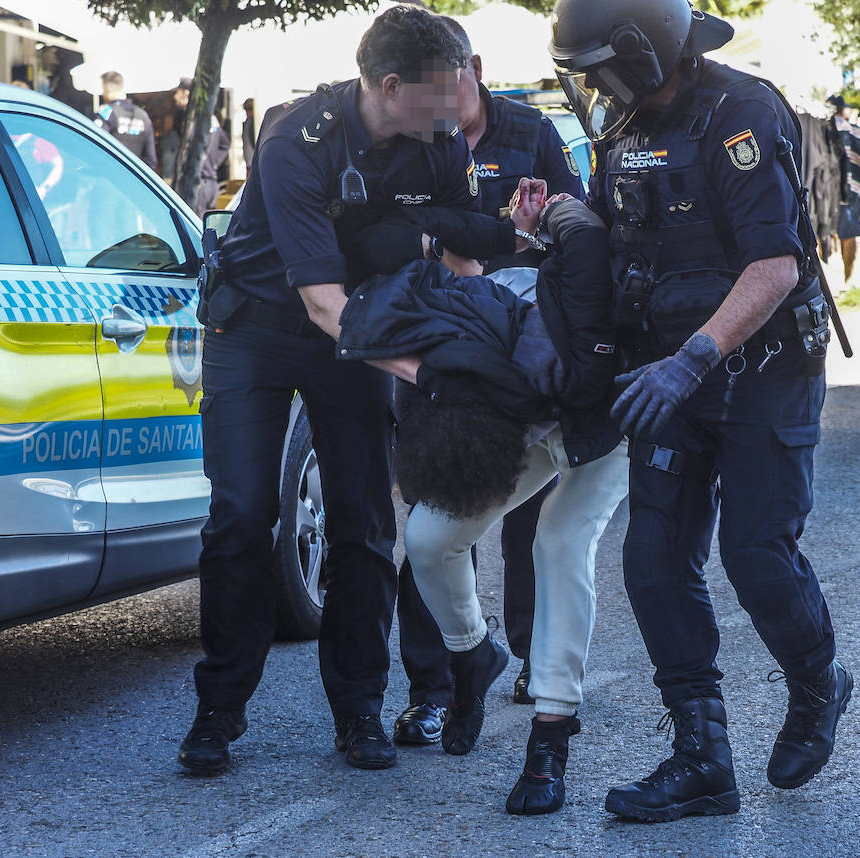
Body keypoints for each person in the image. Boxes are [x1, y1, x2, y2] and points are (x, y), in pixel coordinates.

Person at [549, 0, 851, 823]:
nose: (595, 88)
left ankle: (819, 686)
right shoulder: (624, 132)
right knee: (654, 559)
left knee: (756, 554)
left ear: (643, 52)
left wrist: (691, 361)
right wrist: (566, 222)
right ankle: (702, 758)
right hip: (664, 376)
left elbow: (775, 268)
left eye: (601, 70)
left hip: (761, 371)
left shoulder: (740, 112)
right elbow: (624, 236)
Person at [177, 6, 497, 777]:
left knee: (360, 523)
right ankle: (219, 709)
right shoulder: (296, 139)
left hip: (359, 336)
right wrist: (426, 372)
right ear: (390, 88)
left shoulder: (440, 142)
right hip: (257, 330)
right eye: (443, 92)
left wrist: (480, 347)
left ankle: (358, 710)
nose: (458, 107)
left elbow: (464, 258)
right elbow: (324, 304)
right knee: (243, 515)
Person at [339, 195, 628, 815]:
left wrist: (548, 219)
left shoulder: (569, 265)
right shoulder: (444, 316)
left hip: (604, 418)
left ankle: (551, 735)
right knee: (428, 538)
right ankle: (474, 655)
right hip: (523, 421)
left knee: (558, 539)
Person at [383, 16, 591, 749]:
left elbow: (573, 218)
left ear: (471, 66)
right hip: (440, 346)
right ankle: (435, 686)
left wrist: (532, 229)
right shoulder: (410, 140)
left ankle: (535, 660)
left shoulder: (531, 131)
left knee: (531, 517)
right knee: (439, 505)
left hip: (520, 349)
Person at [828, 94, 860, 284]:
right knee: (849, 233)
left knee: (823, 233)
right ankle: (848, 278)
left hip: (824, 189)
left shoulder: (820, 128)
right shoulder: (857, 131)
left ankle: (827, 281)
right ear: (843, 109)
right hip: (850, 188)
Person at [94, 71, 158, 171]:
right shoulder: (144, 116)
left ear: (108, 89)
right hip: (133, 180)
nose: (102, 94)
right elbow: (151, 160)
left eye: (103, 90)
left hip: (108, 176)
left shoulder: (107, 112)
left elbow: (95, 146)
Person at [194, 115, 230, 216]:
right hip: (212, 182)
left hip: (202, 182)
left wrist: (215, 162)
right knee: (210, 219)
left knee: (200, 220)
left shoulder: (197, 122)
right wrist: (215, 163)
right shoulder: (215, 123)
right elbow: (226, 144)